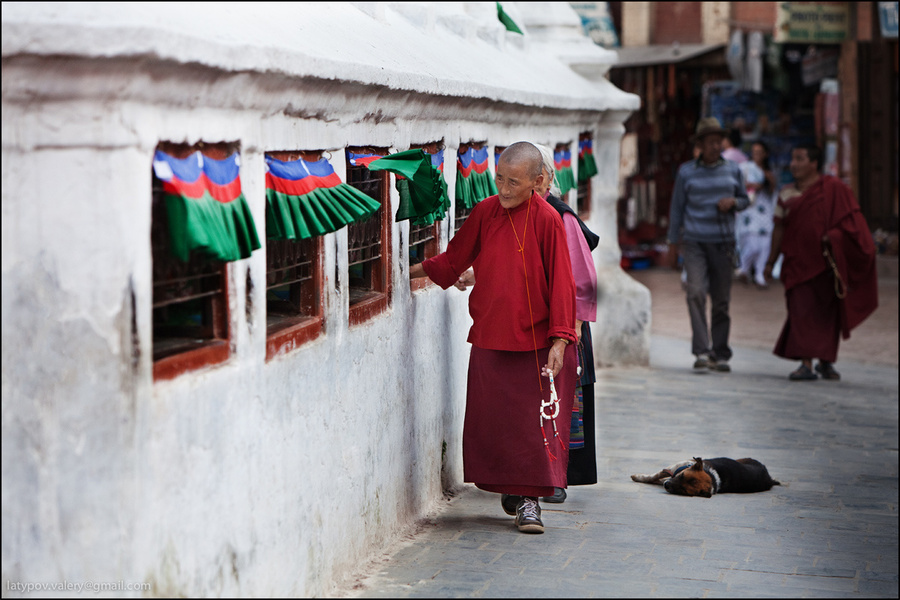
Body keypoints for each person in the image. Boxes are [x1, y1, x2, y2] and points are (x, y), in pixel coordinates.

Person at [409, 142, 578, 534]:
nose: (502, 189)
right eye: (499, 178)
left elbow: (563, 286)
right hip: (491, 336)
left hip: (535, 342)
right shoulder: (486, 212)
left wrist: (560, 340)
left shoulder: (548, 220)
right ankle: (511, 490)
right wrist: (405, 273)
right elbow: (454, 259)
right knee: (498, 425)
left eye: (513, 182)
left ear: (538, 183)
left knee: (532, 429)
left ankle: (530, 503)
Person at [764, 144, 878, 381]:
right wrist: (770, 261)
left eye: (799, 158)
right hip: (797, 263)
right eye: (793, 159)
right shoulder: (786, 194)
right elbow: (778, 229)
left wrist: (834, 238)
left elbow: (852, 224)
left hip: (826, 264)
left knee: (827, 314)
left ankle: (825, 361)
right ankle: (805, 363)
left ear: (814, 163)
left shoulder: (834, 189)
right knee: (801, 311)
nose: (793, 164)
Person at [667, 117, 751, 372]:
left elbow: (745, 200)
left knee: (722, 300)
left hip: (723, 242)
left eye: (719, 141)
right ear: (701, 145)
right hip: (694, 242)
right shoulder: (686, 172)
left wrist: (733, 203)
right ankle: (702, 350)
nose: (716, 146)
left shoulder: (733, 170)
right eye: (711, 142)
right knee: (695, 292)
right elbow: (677, 209)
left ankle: (720, 352)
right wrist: (672, 243)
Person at [734, 141, 778, 289]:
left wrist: (764, 180)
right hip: (750, 210)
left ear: (765, 154)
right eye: (754, 152)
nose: (756, 155)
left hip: (765, 210)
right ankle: (744, 269)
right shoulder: (745, 168)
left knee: (765, 244)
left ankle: (760, 275)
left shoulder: (768, 172)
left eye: (760, 152)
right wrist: (750, 186)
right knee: (752, 243)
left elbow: (772, 189)